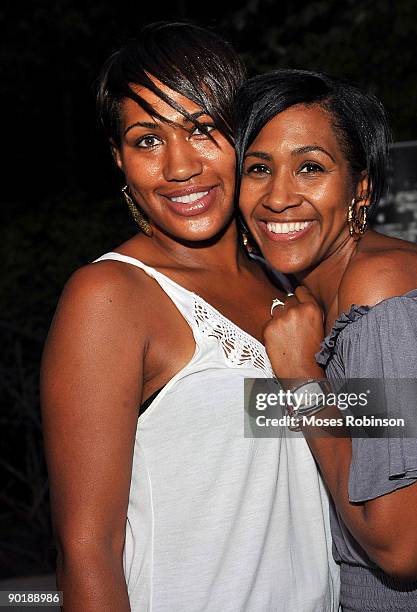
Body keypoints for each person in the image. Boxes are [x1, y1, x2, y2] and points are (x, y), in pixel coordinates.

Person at [41, 30, 340, 611]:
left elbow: (400, 436)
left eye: (203, 129)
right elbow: (86, 550)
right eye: (147, 139)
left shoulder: (290, 282)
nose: (179, 166)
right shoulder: (111, 296)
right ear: (118, 157)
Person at [235, 69, 417, 611]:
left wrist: (302, 384)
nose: (278, 196)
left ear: (361, 187)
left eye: (310, 168)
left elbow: (405, 551)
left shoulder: (382, 294)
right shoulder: (322, 295)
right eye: (258, 168)